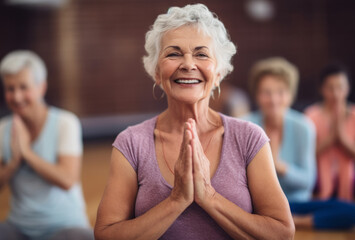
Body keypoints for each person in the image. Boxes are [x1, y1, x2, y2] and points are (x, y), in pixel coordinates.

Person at [95, 4, 294, 240]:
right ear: (157, 73)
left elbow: (282, 233)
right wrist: (176, 200)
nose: (188, 64)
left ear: (218, 74)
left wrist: (208, 196)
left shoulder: (249, 137)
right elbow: (106, 234)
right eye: (173, 53)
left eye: (201, 54)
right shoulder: (131, 143)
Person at [244, 57, 355, 230]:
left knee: (353, 212)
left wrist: (279, 167)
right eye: (266, 92)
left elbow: (307, 181)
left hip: (296, 206)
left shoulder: (304, 126)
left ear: (290, 94)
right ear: (257, 95)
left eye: (281, 92)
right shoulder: (245, 125)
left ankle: (294, 221)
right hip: (258, 205)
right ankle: (279, 221)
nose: (274, 99)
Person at [0, 50, 93, 240]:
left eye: (23, 87)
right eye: (10, 89)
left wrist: (27, 153)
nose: (17, 96)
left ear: (41, 87)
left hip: (65, 227)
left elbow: (67, 180)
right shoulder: (3, 130)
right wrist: (13, 163)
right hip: (19, 228)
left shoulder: (65, 123)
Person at [305, 64, 355, 201]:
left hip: (350, 175)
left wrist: (342, 138)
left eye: (340, 87)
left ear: (348, 88)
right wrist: (330, 139)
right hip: (318, 175)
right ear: (322, 89)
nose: (335, 93)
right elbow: (306, 155)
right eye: (330, 88)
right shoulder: (311, 115)